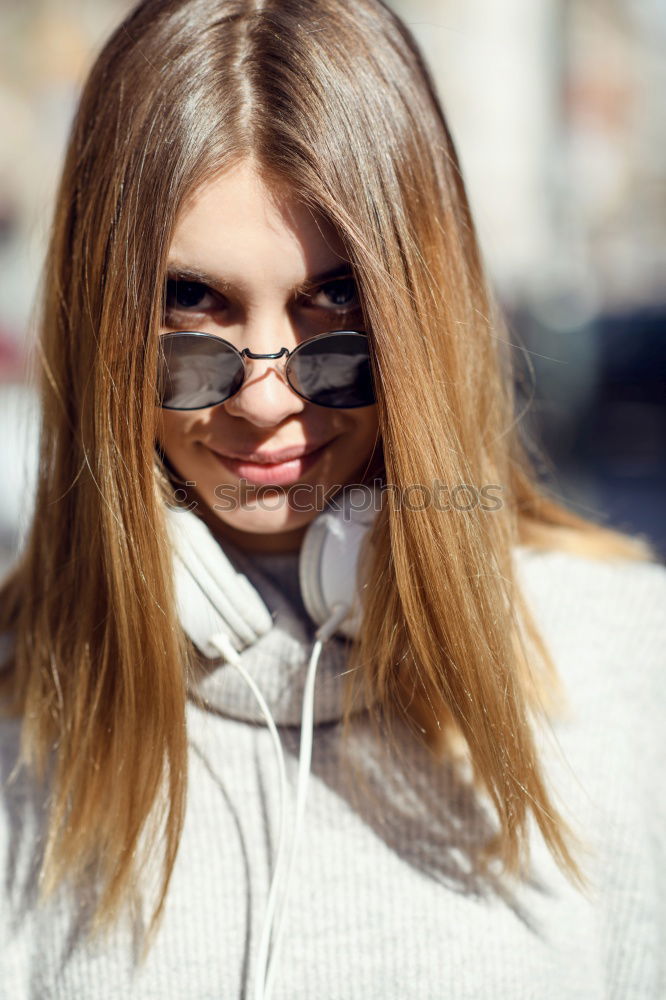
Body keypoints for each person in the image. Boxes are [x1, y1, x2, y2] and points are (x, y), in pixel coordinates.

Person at [0, 0, 664, 997]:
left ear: (420, 320)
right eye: (193, 306)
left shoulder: (628, 673)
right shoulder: (20, 719)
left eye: (337, 311)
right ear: (101, 325)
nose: (268, 400)